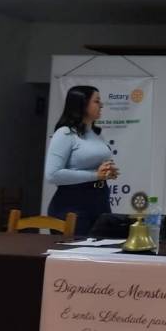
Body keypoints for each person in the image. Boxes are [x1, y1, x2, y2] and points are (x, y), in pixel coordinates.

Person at [45, 85, 118, 236]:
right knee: (76, 248)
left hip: (100, 200)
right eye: (96, 101)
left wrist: (107, 172)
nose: (101, 105)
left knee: (104, 247)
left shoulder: (96, 134)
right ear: (82, 104)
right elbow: (52, 175)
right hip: (73, 204)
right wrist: (96, 175)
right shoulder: (65, 133)